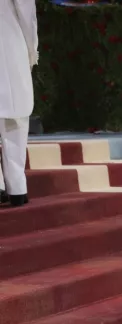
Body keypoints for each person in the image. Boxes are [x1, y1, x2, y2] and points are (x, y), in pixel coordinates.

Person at [0, 0, 37, 208]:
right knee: (16, 118)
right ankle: (17, 188)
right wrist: (32, 51)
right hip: (9, 43)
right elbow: (26, 13)